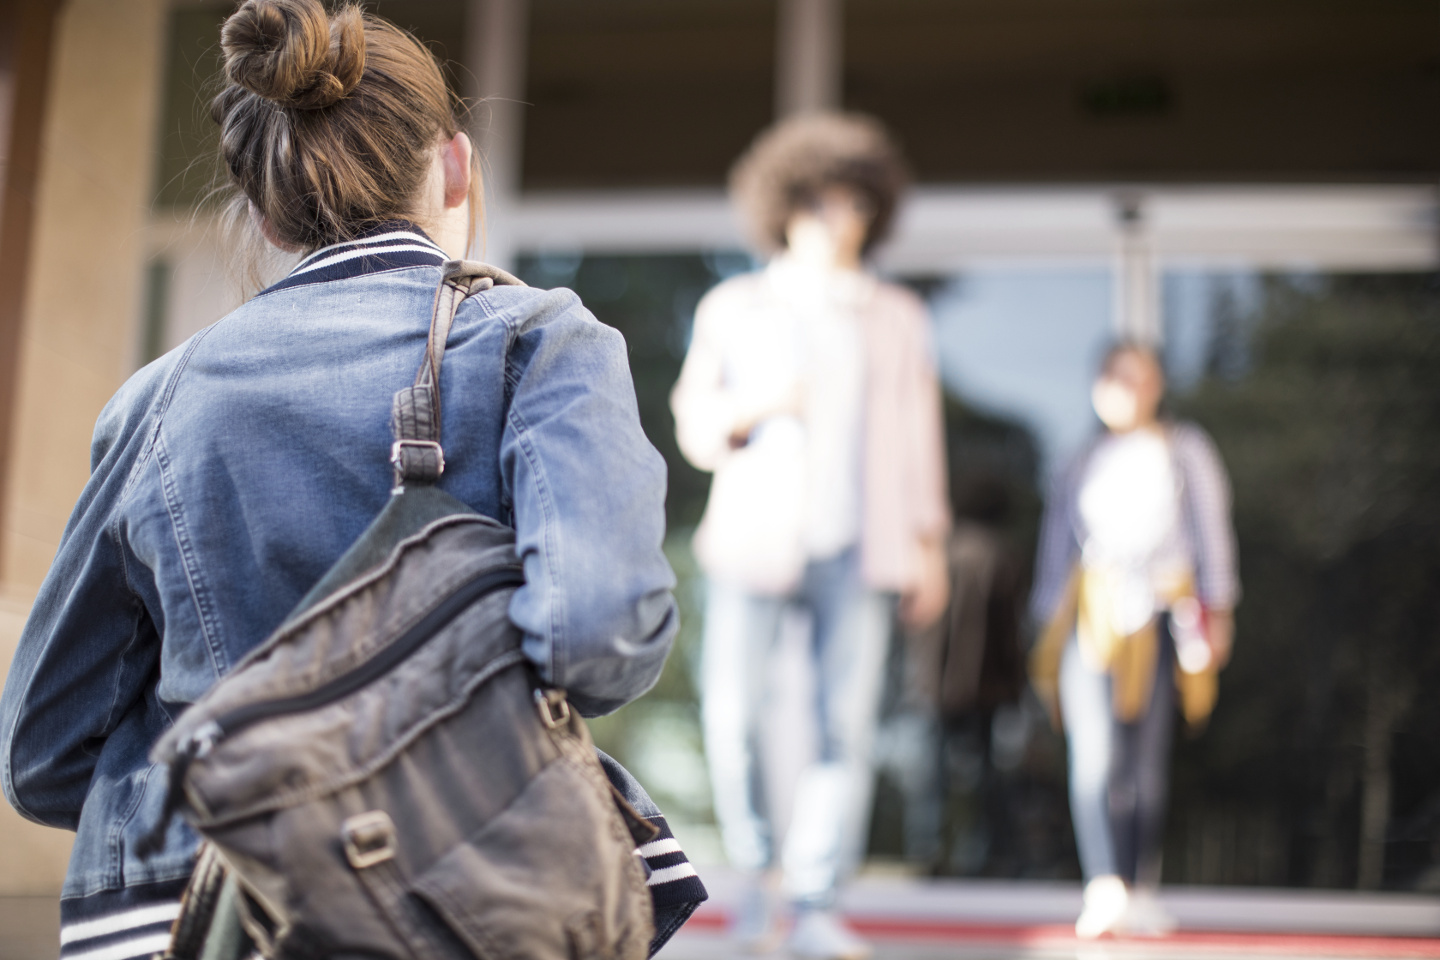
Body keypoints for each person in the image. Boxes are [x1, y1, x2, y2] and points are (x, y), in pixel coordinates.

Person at [0, 3, 693, 958]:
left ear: (264, 213)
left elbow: (42, 754)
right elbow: (599, 635)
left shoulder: (154, 400)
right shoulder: (539, 342)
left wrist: (243, 774)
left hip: (192, 911)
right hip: (468, 895)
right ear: (455, 167)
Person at [671, 113, 950, 960]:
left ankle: (816, 902)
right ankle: (758, 879)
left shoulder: (897, 315)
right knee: (731, 718)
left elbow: (920, 438)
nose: (839, 220)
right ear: (784, 207)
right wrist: (759, 405)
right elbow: (694, 424)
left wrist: (929, 545)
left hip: (859, 545)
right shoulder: (734, 306)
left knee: (845, 728)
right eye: (821, 203)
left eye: (855, 205)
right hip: (752, 542)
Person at [1029, 342, 1239, 938]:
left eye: (1136, 377)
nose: (1124, 389)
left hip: (1161, 613)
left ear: (1156, 386)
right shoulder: (1080, 459)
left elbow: (1211, 533)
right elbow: (1055, 546)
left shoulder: (1184, 449)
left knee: (1144, 760)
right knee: (1094, 753)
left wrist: (1218, 609)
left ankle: (1139, 883)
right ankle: (1104, 884)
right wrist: (1045, 622)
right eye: (1113, 377)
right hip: (1092, 617)